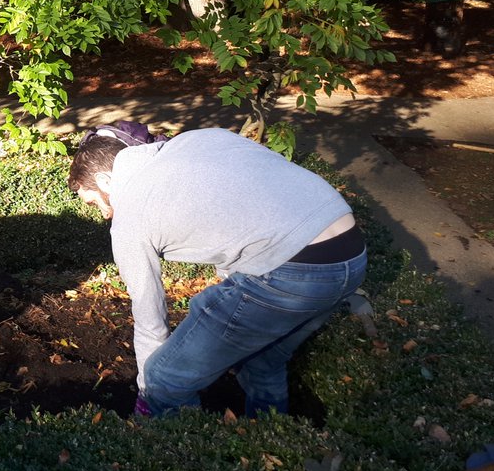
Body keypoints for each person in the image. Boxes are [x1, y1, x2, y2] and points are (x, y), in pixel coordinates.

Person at [68, 124, 367, 418]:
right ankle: (270, 443)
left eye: (94, 203)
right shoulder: (198, 140)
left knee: (165, 376)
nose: (105, 214)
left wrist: (150, 392)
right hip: (351, 252)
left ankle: (185, 458)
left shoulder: (129, 219)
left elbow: (151, 320)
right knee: (261, 361)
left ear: (106, 180)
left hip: (295, 272)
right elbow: (239, 206)